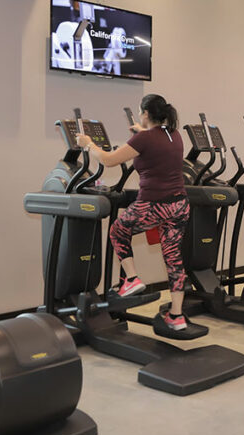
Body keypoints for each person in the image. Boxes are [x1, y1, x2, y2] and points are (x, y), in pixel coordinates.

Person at [74, 94, 192, 332]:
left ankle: (131, 279)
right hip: (179, 205)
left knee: (118, 231)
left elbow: (108, 160)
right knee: (173, 258)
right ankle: (177, 315)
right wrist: (142, 131)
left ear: (146, 114)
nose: (139, 116)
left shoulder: (145, 139)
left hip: (154, 204)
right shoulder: (174, 134)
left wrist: (88, 144)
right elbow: (155, 143)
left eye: (140, 112)